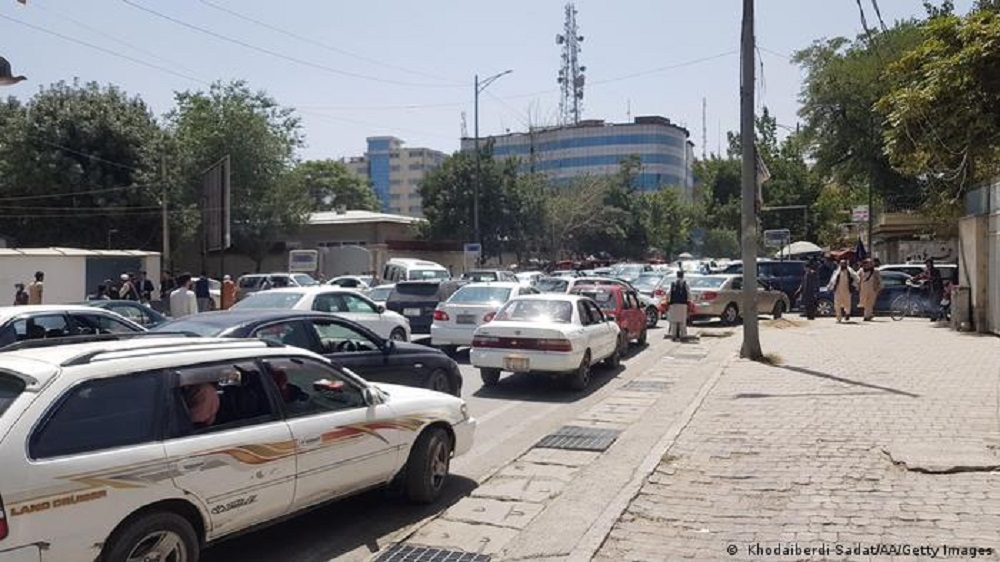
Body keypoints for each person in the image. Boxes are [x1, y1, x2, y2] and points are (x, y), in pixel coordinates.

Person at [666, 270, 690, 341]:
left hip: (674, 304)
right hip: (683, 304)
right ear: (683, 275)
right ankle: (683, 335)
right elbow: (689, 293)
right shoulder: (685, 284)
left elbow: (668, 293)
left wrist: (667, 301)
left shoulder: (673, 284)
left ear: (677, 275)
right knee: (682, 321)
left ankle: (673, 335)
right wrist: (689, 300)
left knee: (674, 321)